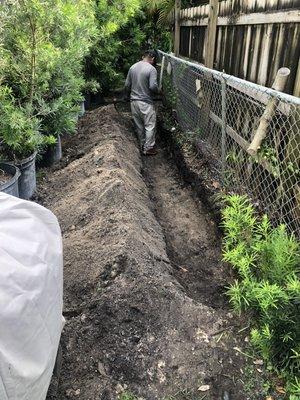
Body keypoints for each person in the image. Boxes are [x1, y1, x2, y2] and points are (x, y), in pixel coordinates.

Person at [125, 50, 159, 156]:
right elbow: (152, 86)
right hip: (145, 102)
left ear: (143, 56)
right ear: (152, 58)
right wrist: (159, 91)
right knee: (149, 125)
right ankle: (148, 148)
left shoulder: (133, 67)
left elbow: (127, 85)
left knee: (139, 125)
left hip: (133, 102)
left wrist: (126, 96)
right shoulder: (151, 69)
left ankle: (142, 145)